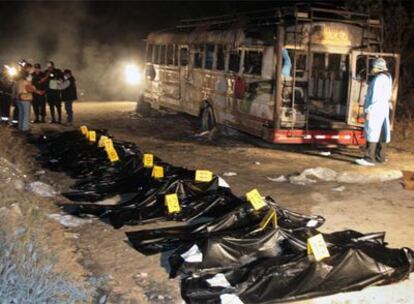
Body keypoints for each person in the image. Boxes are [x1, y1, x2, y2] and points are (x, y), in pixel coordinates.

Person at [355, 58, 392, 166]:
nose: (372, 69)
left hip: (375, 109)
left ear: (377, 67)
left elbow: (375, 96)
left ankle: (369, 158)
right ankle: (380, 157)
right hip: (382, 109)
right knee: (382, 133)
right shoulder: (387, 77)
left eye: (373, 67)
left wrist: (368, 110)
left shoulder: (379, 79)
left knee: (372, 132)